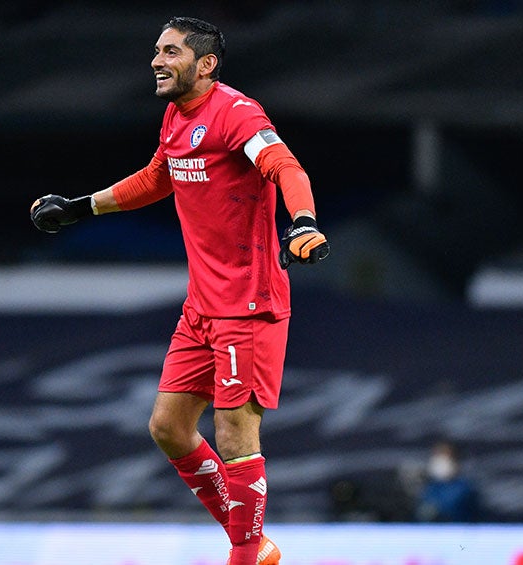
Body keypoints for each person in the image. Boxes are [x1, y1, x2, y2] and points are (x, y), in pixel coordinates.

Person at [29, 16, 329, 565]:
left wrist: (303, 221)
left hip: (248, 302)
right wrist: (81, 207)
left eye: (170, 51)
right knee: (168, 427)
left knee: (235, 432)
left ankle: (244, 556)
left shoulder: (237, 114)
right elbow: (156, 178)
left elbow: (285, 165)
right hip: (202, 306)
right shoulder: (174, 115)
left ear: (205, 63)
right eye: (156, 50)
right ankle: (251, 542)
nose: (156, 60)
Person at [415, 440, 480, 523]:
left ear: (455, 460)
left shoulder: (466, 488)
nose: (440, 462)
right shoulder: (429, 487)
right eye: (437, 456)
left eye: (444, 457)